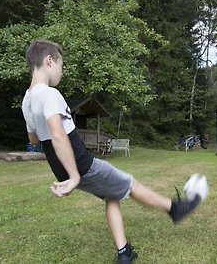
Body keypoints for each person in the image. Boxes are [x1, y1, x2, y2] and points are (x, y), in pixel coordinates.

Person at [21, 40, 203, 264]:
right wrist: (75, 175)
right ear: (49, 60)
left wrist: (68, 174)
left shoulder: (27, 100)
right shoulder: (49, 94)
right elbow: (58, 135)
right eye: (61, 64)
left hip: (61, 170)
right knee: (129, 184)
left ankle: (124, 251)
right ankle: (176, 209)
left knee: (112, 195)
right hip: (81, 165)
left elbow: (34, 139)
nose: (62, 71)